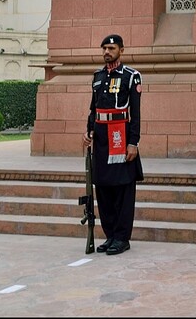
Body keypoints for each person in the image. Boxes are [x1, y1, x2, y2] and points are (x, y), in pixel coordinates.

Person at [81, 34, 144, 255]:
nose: (107, 52)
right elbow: (93, 109)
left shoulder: (131, 76)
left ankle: (122, 237)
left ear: (121, 50)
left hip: (120, 136)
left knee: (122, 190)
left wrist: (133, 143)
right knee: (104, 190)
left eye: (111, 48)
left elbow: (135, 115)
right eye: (104, 48)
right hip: (100, 140)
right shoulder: (97, 76)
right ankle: (110, 236)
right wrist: (88, 131)